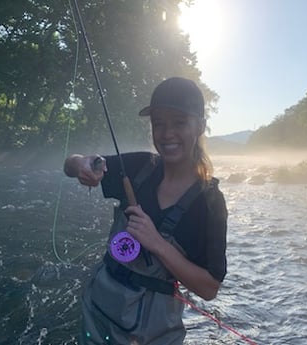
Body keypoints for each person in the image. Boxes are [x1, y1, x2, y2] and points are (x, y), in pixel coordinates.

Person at [64, 77, 227, 345]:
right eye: (158, 124)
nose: (167, 134)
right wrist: (81, 162)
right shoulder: (140, 167)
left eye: (179, 123)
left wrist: (158, 244)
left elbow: (209, 288)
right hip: (97, 314)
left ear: (200, 126)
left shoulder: (209, 203)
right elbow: (69, 165)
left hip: (153, 336)